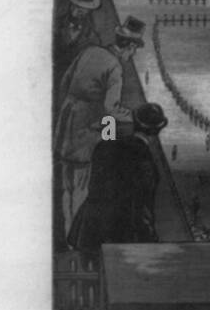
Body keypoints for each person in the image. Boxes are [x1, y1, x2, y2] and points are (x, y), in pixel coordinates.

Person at [53, 17, 145, 237]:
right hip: (86, 133)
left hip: (67, 124)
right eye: (133, 51)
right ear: (129, 46)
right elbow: (110, 109)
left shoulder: (91, 51)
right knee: (82, 188)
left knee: (66, 187)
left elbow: (65, 82)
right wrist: (131, 117)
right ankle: (75, 238)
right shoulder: (115, 68)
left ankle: (67, 234)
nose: (132, 56)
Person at [68, 103, 165, 253]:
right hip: (120, 236)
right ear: (156, 132)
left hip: (87, 232)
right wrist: (151, 239)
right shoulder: (145, 162)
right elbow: (143, 208)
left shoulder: (104, 146)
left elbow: (94, 188)